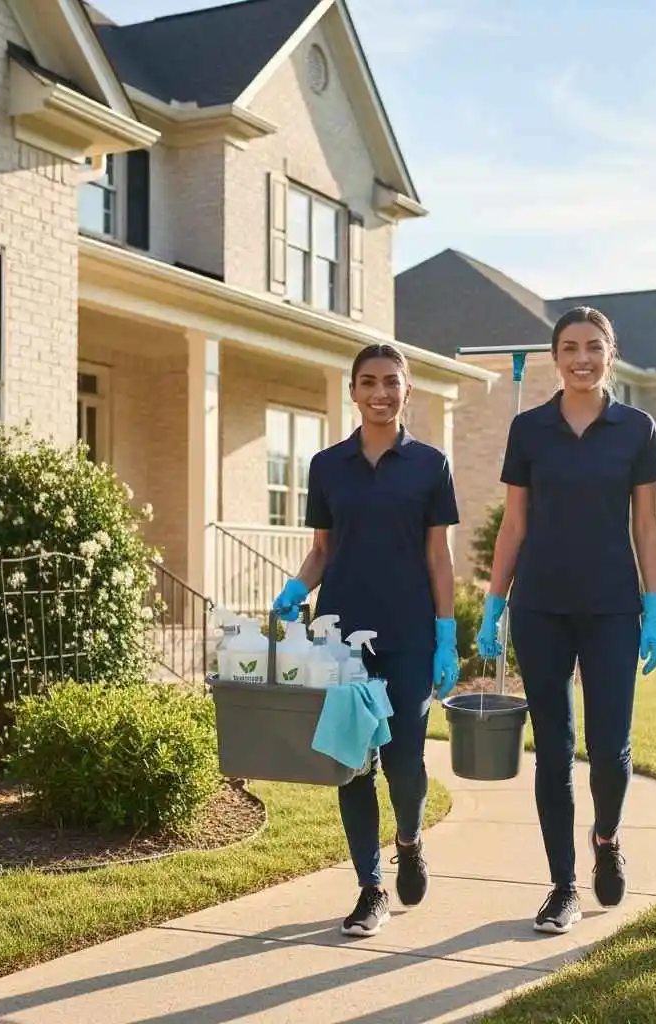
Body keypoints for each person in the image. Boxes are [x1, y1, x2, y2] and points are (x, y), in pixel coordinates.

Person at [476, 306, 656, 935]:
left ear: (610, 353)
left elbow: (646, 522)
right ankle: (562, 886)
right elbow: (516, 522)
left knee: (610, 750)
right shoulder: (529, 429)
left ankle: (607, 838)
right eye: (569, 348)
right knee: (553, 753)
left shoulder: (636, 427)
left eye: (593, 347)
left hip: (613, 608)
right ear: (555, 357)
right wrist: (495, 602)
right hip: (541, 608)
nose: (581, 358)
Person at [272, 342, 461, 938]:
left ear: (408, 391)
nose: (380, 392)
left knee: (405, 762)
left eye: (392, 382)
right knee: (353, 764)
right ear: (352, 391)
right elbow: (323, 551)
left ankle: (409, 838)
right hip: (342, 637)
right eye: (369, 382)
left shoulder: (430, 465)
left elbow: (438, 555)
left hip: (408, 632)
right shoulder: (327, 466)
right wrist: (293, 589)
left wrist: (446, 631)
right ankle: (370, 886)